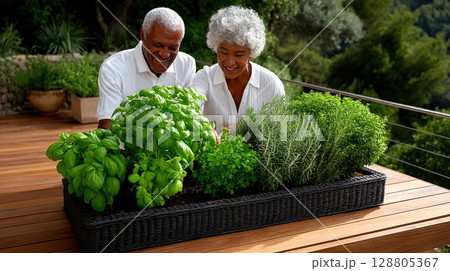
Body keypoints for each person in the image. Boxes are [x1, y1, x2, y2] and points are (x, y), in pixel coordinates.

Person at [191, 5, 285, 134]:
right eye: (223, 52)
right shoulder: (204, 77)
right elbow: (191, 107)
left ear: (251, 53)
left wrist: (241, 128)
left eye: (239, 54)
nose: (230, 62)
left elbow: (279, 131)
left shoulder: (271, 84)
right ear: (216, 48)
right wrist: (203, 127)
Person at [97, 7, 196, 129]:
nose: (165, 54)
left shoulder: (187, 64)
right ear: (142, 36)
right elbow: (108, 124)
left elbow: (190, 113)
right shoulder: (114, 68)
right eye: (158, 45)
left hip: (168, 145)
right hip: (124, 147)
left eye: (173, 48)